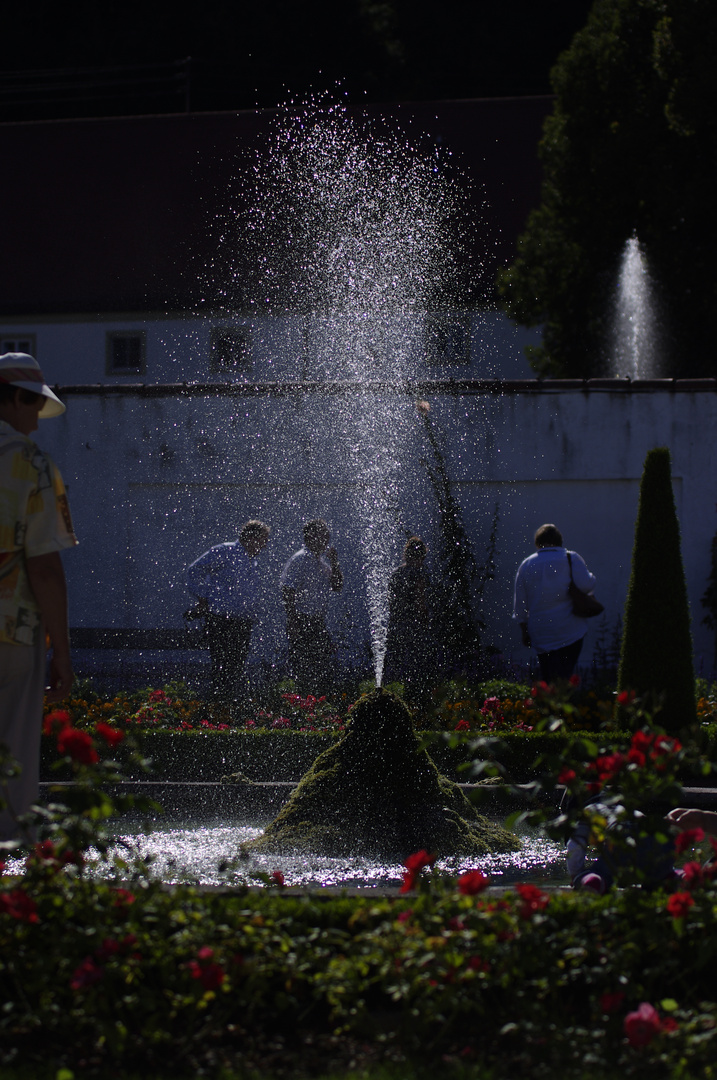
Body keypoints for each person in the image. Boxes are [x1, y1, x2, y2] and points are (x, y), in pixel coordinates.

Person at [0, 352, 78, 843]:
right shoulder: (29, 462)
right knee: (12, 750)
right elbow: (45, 567)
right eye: (32, 402)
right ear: (12, 398)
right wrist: (62, 651)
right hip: (11, 626)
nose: (35, 417)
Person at [185, 520, 270, 704]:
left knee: (236, 668)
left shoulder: (251, 560)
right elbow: (194, 570)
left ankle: (228, 708)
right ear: (251, 538)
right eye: (263, 540)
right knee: (222, 667)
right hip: (221, 619)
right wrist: (203, 597)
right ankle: (217, 708)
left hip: (242, 621)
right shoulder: (225, 551)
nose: (265, 546)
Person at [513, 523, 597, 682]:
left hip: (541, 632)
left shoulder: (527, 565)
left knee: (548, 676)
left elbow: (520, 604)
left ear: (537, 543)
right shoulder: (571, 558)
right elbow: (588, 584)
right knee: (565, 676)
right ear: (560, 541)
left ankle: (549, 703)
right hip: (570, 629)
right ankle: (562, 703)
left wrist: (524, 630)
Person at [281, 519, 343, 695]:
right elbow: (288, 590)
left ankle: (316, 704)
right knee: (303, 668)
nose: (326, 541)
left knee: (321, 667)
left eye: (327, 537)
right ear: (310, 537)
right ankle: (303, 705)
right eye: (323, 536)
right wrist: (292, 621)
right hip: (301, 620)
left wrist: (335, 563)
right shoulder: (300, 559)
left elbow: (337, 586)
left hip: (317, 621)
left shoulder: (321, 563)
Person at [383, 536, 436, 698]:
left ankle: (392, 695)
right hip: (413, 625)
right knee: (415, 665)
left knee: (396, 662)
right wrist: (426, 617)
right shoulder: (419, 574)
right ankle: (414, 697)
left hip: (396, 624)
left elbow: (391, 602)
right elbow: (420, 600)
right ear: (421, 556)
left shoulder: (397, 573)